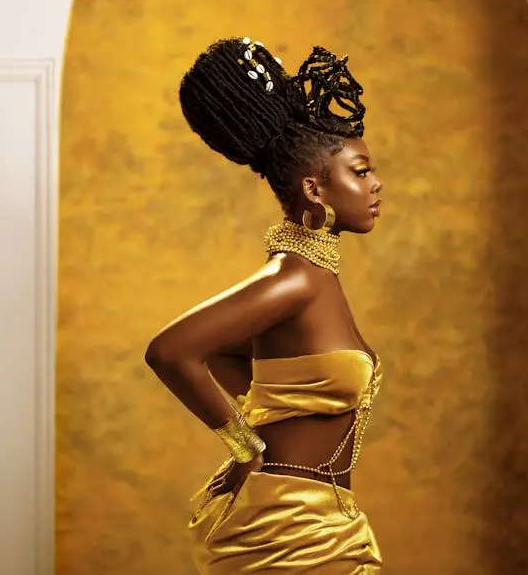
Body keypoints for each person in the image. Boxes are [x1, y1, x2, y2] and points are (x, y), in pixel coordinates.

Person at [145, 36, 385, 574]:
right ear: (314, 189)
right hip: (289, 531)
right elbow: (171, 351)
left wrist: (262, 414)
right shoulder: (294, 281)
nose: (376, 185)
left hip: (327, 522)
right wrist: (246, 445)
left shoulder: (314, 279)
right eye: (361, 170)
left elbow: (231, 356)